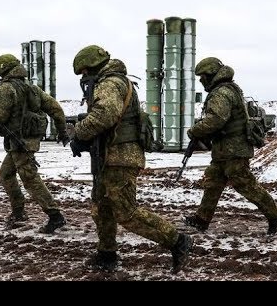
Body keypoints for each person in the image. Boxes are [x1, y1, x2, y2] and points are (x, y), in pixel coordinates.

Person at [69, 45, 192, 274]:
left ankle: (178, 241)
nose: (84, 77)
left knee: (126, 212)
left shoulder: (110, 83)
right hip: (109, 157)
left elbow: (104, 115)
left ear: (94, 66)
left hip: (120, 158)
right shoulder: (111, 82)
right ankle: (107, 254)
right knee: (101, 208)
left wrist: (79, 133)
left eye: (85, 71)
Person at [184, 57, 277, 235]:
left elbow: (215, 120)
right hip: (225, 149)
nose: (201, 80)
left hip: (233, 149)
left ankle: (276, 214)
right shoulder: (226, 89)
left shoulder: (222, 92)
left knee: (245, 184)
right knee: (213, 182)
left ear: (211, 75)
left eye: (202, 77)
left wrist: (194, 131)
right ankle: (202, 219)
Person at [0, 54, 70, 233]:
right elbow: (56, 109)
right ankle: (18, 211)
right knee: (6, 174)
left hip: (19, 142)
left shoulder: (5, 89)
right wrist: (62, 132)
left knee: (30, 179)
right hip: (26, 141)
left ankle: (55, 216)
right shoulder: (32, 89)